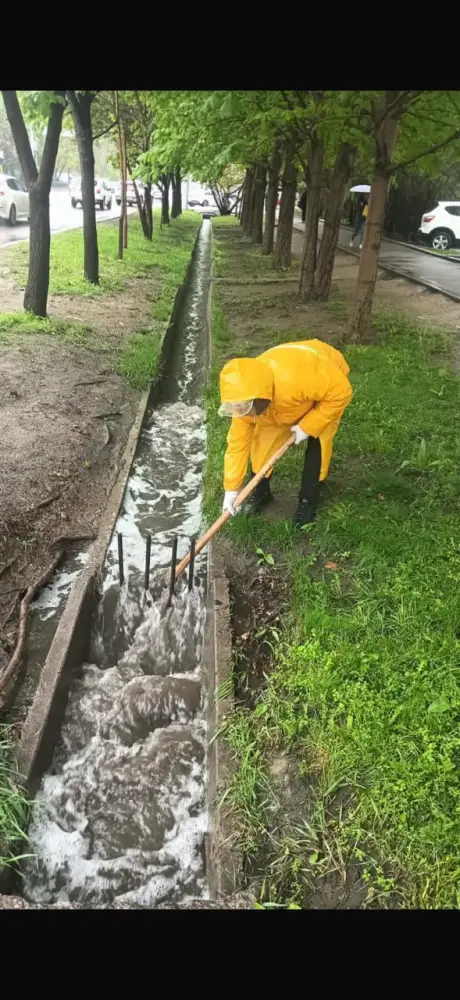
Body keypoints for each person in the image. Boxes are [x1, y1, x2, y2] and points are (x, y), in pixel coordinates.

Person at [219, 339, 353, 527]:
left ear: (260, 397)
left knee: (319, 440)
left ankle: (308, 499)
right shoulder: (244, 400)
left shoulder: (299, 377)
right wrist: (231, 489)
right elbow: (237, 446)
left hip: (326, 385)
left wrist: (308, 426)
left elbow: (340, 392)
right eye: (237, 408)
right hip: (283, 404)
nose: (242, 413)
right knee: (262, 446)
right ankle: (261, 492)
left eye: (245, 408)